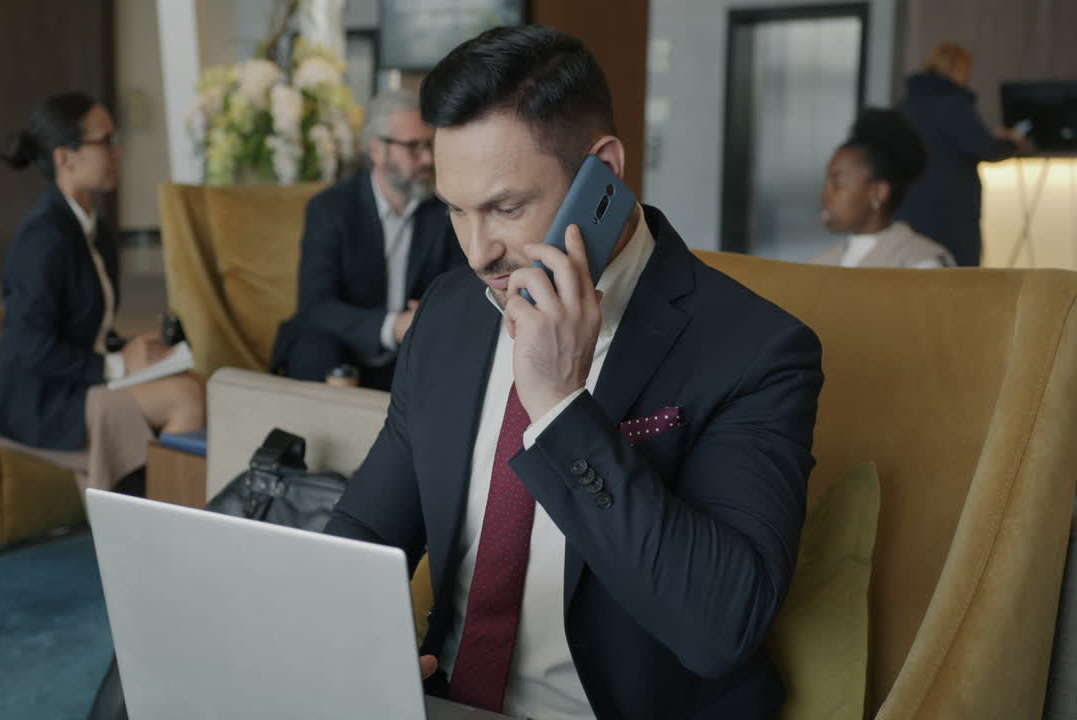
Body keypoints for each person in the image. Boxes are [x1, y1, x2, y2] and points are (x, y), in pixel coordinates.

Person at [325, 25, 824, 720]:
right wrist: (335, 642)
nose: (477, 253)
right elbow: (368, 529)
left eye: (505, 207)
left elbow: (721, 627)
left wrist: (561, 409)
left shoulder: (757, 351)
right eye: (455, 211)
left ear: (604, 174)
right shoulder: (450, 315)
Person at [0, 91, 205, 495]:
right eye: (106, 142)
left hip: (76, 386)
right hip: (38, 404)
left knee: (194, 383)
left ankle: (156, 514)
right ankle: (166, 530)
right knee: (184, 398)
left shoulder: (94, 230)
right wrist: (116, 366)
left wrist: (133, 348)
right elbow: (33, 348)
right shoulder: (42, 237)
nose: (118, 152)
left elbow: (86, 331)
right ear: (65, 158)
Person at [270, 89, 465, 391]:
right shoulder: (331, 208)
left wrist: (429, 312)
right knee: (315, 349)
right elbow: (316, 305)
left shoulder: (446, 209)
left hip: (412, 350)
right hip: (339, 344)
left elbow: (461, 284)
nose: (427, 158)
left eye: (430, 145)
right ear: (377, 150)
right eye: (414, 147)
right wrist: (393, 326)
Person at [895, 42, 1028, 266]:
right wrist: (1013, 143)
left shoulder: (906, 104)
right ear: (960, 69)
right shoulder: (952, 103)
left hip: (908, 209)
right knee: (957, 281)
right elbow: (986, 149)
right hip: (948, 211)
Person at [813, 108, 954, 268]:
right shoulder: (822, 264)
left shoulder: (923, 263)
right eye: (827, 184)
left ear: (878, 192)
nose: (824, 195)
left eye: (837, 185)